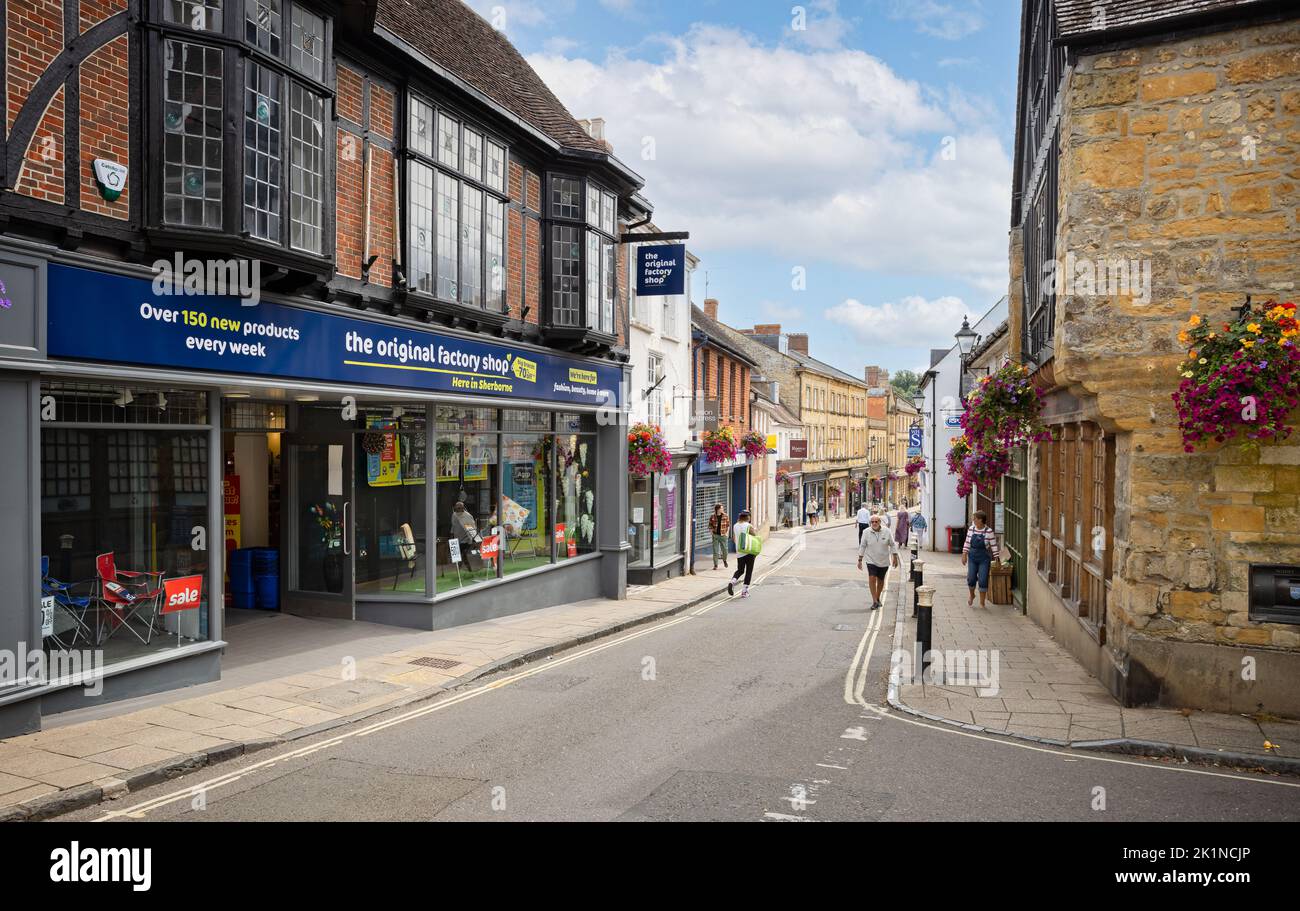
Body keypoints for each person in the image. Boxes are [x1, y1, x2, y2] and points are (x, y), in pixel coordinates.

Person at [856, 512, 899, 610]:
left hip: (884, 561)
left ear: (880, 522)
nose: (874, 523)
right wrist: (860, 559)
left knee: (880, 581)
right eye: (872, 522)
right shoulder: (866, 532)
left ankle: (877, 597)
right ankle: (874, 601)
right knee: (872, 578)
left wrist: (895, 557)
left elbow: (892, 544)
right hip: (871, 560)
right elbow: (862, 546)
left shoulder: (887, 531)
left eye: (876, 521)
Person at [962, 510, 1000, 608]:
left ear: (980, 520)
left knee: (983, 580)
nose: (973, 520)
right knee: (971, 578)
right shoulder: (971, 529)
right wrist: (964, 554)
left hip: (984, 558)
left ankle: (982, 602)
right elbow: (967, 542)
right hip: (972, 557)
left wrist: (997, 558)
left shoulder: (989, 531)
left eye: (975, 518)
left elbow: (994, 546)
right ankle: (972, 595)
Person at [728, 509, 757, 598]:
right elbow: (754, 536)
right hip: (749, 551)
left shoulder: (735, 525)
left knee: (740, 570)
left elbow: (734, 538)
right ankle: (744, 592)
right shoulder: (749, 526)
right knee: (749, 571)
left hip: (739, 551)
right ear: (748, 517)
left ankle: (733, 581)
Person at [708, 502, 730, 570]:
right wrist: (711, 532)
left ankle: (724, 560)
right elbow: (710, 525)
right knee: (715, 551)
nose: (722, 509)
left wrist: (727, 533)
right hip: (715, 536)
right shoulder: (712, 516)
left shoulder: (725, 516)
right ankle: (715, 565)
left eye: (722, 508)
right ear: (717, 509)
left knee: (725, 550)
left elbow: (728, 525)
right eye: (721, 508)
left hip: (723, 535)